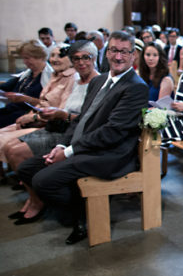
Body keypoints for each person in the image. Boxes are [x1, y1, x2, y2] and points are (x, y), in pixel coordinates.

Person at [16, 31, 149, 244]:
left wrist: (68, 152)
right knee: (26, 169)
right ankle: (79, 206)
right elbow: (81, 120)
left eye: (125, 52)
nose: (118, 57)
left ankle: (83, 212)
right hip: (88, 146)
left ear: (133, 56)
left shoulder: (136, 87)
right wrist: (62, 144)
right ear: (106, 53)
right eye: (114, 50)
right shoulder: (99, 81)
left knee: (43, 181)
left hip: (110, 154)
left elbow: (112, 132)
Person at [4, 40, 99, 176]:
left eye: (86, 58)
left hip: (73, 134)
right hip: (59, 126)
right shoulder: (77, 81)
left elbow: (91, 120)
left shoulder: (97, 82)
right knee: (10, 147)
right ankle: (30, 188)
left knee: (16, 152)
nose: (81, 62)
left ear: (94, 58)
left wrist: (59, 115)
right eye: (76, 59)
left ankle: (34, 192)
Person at [0, 44, 76, 165]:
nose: (55, 59)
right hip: (34, 115)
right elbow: (43, 102)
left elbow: (60, 111)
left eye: (60, 56)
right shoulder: (55, 75)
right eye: (52, 55)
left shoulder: (72, 78)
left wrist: (32, 116)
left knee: (10, 147)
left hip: (49, 124)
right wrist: (30, 115)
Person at [0, 40, 51, 128]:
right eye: (23, 58)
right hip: (12, 109)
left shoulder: (50, 77)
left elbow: (49, 104)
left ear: (40, 57)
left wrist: (25, 98)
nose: (24, 62)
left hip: (27, 115)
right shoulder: (26, 74)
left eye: (27, 58)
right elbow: (5, 87)